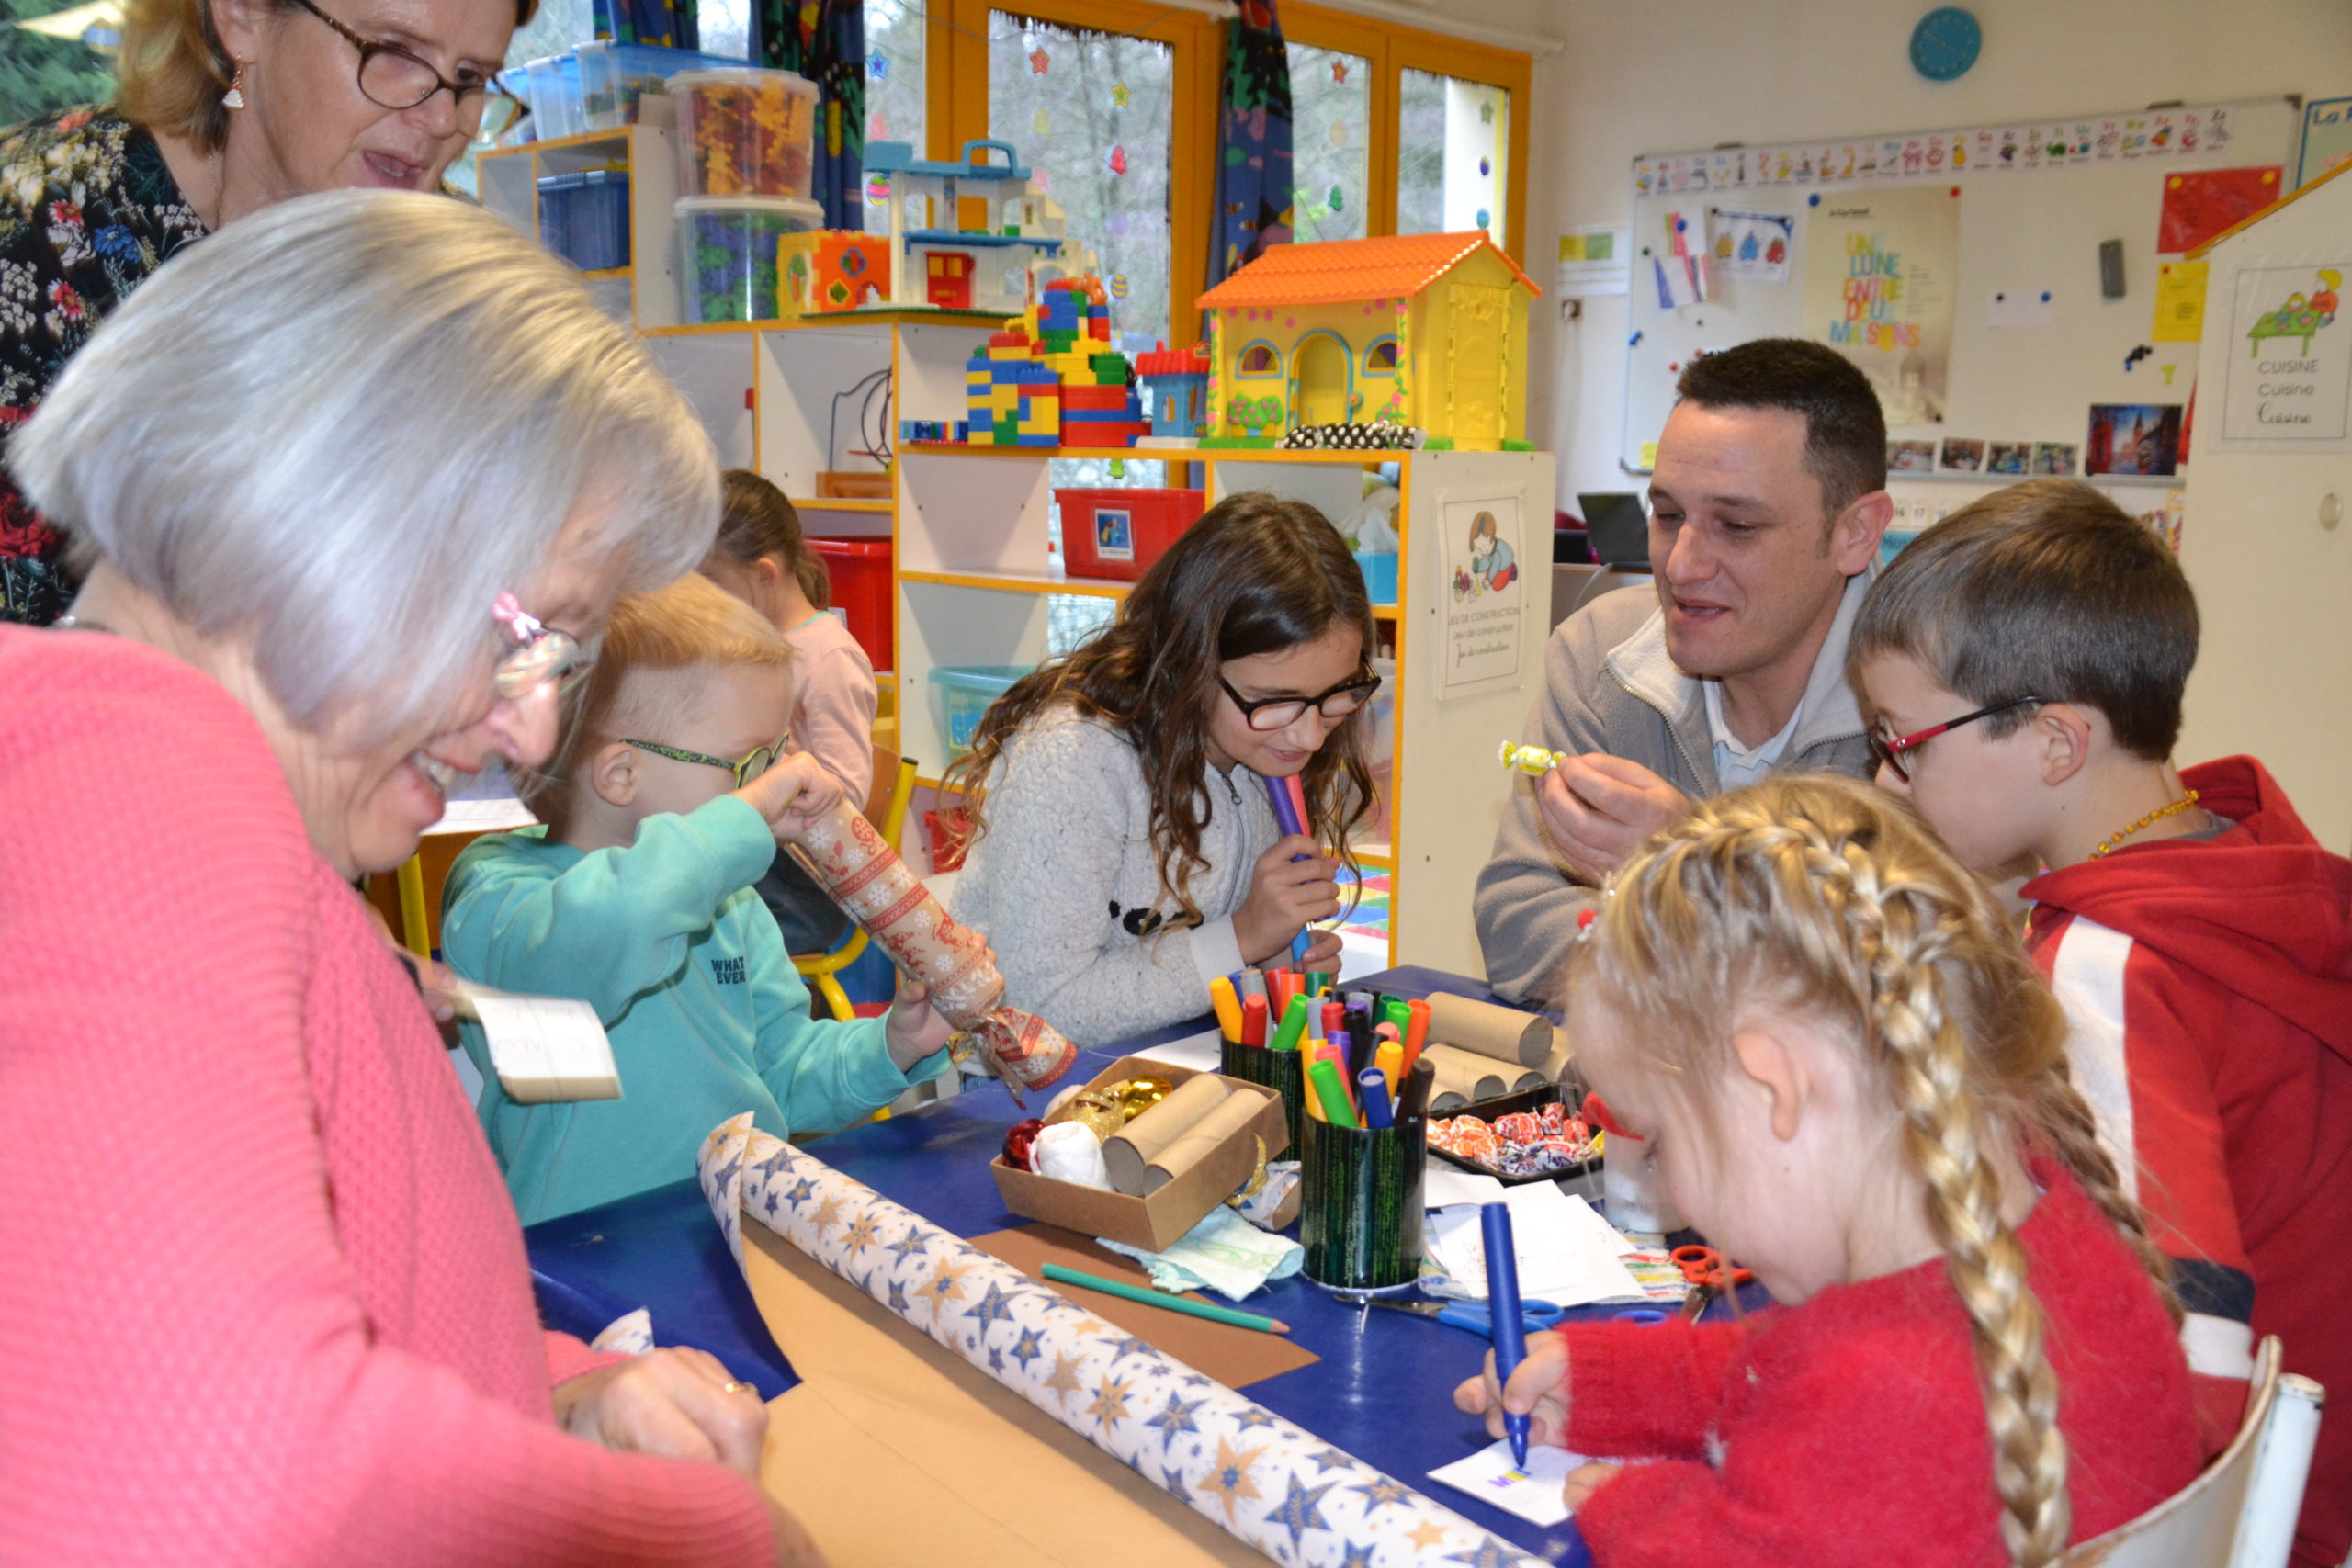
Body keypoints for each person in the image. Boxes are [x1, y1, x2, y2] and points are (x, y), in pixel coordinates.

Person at [0, 190, 825, 1563]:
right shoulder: (130, 786)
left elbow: (327, 1307)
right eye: (533, 637)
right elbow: (221, 1477)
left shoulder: (218, 811)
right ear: (346, 520)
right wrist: (699, 1536)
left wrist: (554, 1395)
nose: (534, 732)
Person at [1457, 775, 2201, 1567]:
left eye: (1664, 1141)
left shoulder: (1884, 1408)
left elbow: (1759, 1519)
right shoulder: (2040, 1223)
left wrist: (1631, 1507)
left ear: (1775, 1088)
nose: (1671, 1190)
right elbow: (1805, 1362)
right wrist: (1619, 1382)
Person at [1848, 479, 2352, 1568]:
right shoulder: (2247, 862)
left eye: (1904, 741)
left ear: (2056, 744)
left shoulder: (2107, 967)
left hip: (2243, 1517)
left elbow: (2174, 1352)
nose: (1887, 778)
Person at [441, 573, 951, 1225]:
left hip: (736, 1225)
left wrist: (893, 1046)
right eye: (747, 766)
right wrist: (740, 825)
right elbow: (603, 933)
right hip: (580, 1251)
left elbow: (781, 1074)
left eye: (776, 755)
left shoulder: (730, 901)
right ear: (621, 774)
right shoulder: (498, 896)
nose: (774, 785)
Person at [0, 0, 531, 623]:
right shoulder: (33, 225)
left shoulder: (467, 284)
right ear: (242, 16)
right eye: (395, 53)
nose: (442, 118)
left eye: (470, 78)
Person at [1474, 339, 1890, 1001]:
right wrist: (1744, 933)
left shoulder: (1939, 702)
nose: (1680, 565)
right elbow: (1518, 927)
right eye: (1668, 516)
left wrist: (1693, 873)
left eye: (1737, 526)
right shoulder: (1600, 652)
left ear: (1855, 533)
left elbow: (1926, 984)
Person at [946, 492, 1374, 1048]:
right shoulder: (1075, 761)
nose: (1311, 736)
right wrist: (1241, 939)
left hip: (1183, 1059)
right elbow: (1036, 1014)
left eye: (1337, 694)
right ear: (1189, 662)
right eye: (1275, 701)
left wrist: (1272, 967)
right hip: (1036, 1088)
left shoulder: (1264, 744)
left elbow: (1211, 962)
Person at [699, 469, 875, 955]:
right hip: (756, 856)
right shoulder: (746, 643)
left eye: (711, 583)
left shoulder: (828, 657)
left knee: (688, 930)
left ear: (764, 574)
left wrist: (772, 778)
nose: (701, 602)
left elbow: (849, 792)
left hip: (801, 888)